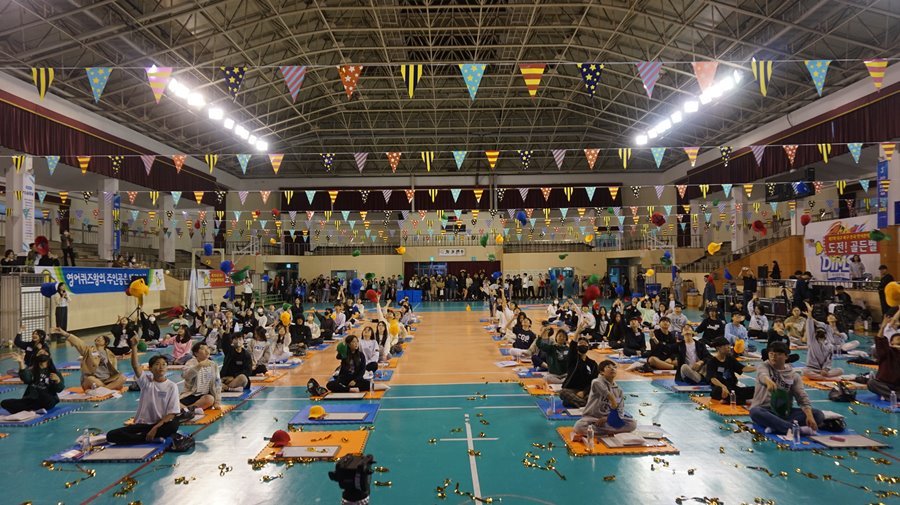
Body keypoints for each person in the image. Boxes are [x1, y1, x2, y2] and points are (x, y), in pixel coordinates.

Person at [106, 338, 181, 445]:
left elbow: (172, 413)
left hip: (160, 424)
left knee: (173, 425)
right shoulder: (146, 382)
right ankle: (147, 437)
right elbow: (135, 366)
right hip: (143, 424)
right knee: (111, 435)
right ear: (150, 368)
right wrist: (134, 346)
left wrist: (155, 428)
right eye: (157, 364)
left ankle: (142, 437)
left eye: (164, 364)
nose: (161, 367)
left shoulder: (172, 386)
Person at [749, 342, 824, 436]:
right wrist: (768, 381)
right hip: (764, 409)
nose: (774, 357)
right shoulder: (764, 366)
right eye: (771, 354)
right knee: (755, 412)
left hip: (784, 413)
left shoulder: (793, 376)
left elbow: (801, 397)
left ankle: (777, 426)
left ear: (786, 356)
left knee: (818, 414)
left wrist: (809, 416)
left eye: (778, 354)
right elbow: (762, 375)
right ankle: (796, 430)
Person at [572, 360, 637, 440]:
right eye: (608, 367)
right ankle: (610, 431)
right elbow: (606, 392)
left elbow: (620, 410)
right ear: (601, 372)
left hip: (608, 420)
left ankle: (600, 432)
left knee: (632, 424)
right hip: (592, 418)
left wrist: (607, 418)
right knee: (579, 426)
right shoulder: (596, 382)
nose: (612, 369)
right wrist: (613, 400)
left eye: (614, 367)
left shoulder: (619, 391)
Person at [56, 328, 126, 391]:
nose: (98, 338)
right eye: (97, 338)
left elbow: (114, 368)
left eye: (101, 338)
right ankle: (107, 388)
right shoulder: (89, 350)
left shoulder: (110, 353)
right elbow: (78, 343)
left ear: (106, 343)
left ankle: (102, 390)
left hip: (107, 380)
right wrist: (65, 333)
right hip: (93, 379)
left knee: (123, 378)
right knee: (94, 381)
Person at [705, 336, 756, 405]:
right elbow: (713, 379)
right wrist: (723, 387)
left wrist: (757, 368)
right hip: (720, 388)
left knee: (756, 389)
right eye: (726, 346)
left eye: (729, 345)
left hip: (733, 388)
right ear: (718, 348)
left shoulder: (730, 359)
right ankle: (744, 401)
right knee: (717, 391)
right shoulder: (712, 362)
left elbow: (743, 368)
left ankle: (728, 400)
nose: (729, 347)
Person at [177, 343, 221, 421]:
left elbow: (217, 384)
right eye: (203, 349)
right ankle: (192, 410)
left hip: (204, 397)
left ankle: (187, 410)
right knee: (172, 403)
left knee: (210, 399)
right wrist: (199, 366)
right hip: (191, 395)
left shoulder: (213, 365)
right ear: (196, 353)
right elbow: (186, 376)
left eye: (207, 348)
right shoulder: (190, 363)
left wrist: (217, 401)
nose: (207, 351)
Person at [802, 302, 844, 380]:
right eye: (818, 332)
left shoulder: (829, 345)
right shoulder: (812, 341)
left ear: (825, 334)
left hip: (822, 370)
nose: (820, 333)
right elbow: (810, 327)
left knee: (841, 370)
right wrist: (810, 313)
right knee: (805, 371)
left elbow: (829, 360)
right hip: (812, 369)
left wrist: (825, 369)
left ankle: (822, 377)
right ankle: (827, 378)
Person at [559, 337, 599, 408]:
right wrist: (578, 332)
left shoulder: (593, 364)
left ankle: (578, 402)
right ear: (577, 347)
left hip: (586, 391)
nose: (582, 345)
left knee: (598, 392)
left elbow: (594, 380)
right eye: (580, 343)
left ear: (588, 347)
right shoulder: (573, 359)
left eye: (585, 344)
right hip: (572, 390)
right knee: (563, 392)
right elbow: (572, 346)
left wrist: (584, 392)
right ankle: (585, 403)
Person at [868, 312, 900, 399]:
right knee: (872, 383)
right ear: (891, 342)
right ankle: (893, 396)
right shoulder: (887, 351)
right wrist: (882, 327)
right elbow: (880, 340)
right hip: (885, 384)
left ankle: (892, 396)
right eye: (897, 339)